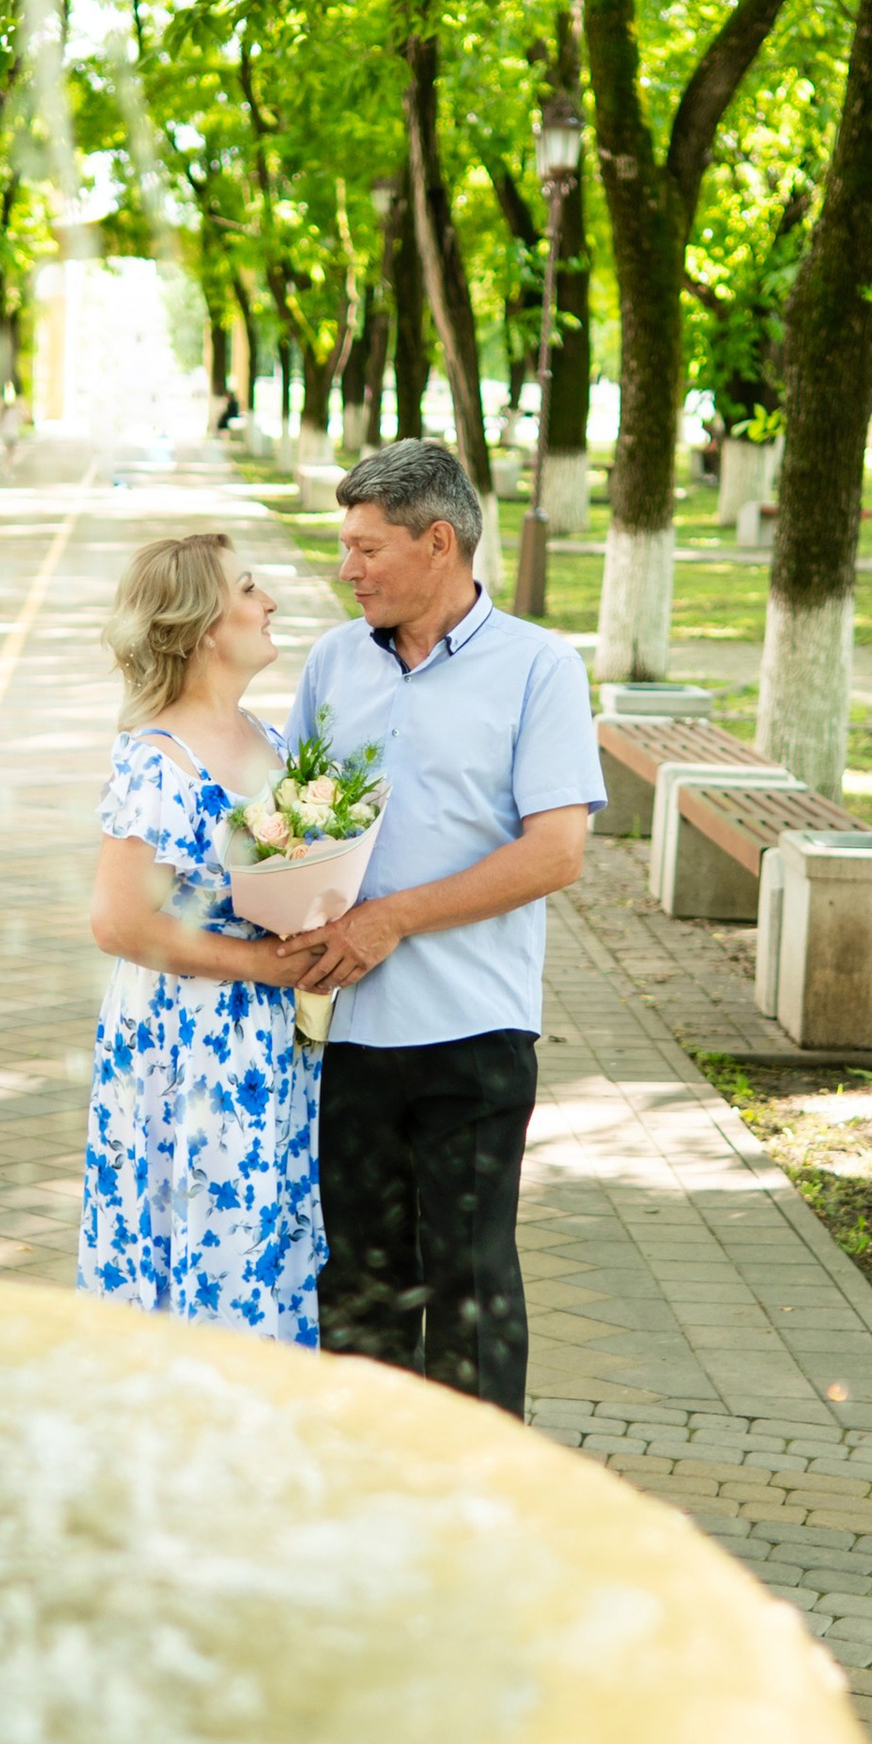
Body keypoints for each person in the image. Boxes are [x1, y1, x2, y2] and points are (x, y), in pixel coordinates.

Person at [291, 439, 606, 1415]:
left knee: (468, 1284)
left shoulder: (538, 667)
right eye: (345, 547)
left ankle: (479, 1505)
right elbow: (300, 823)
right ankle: (366, 1498)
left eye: (366, 548)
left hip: (472, 1033)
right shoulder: (334, 662)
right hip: (344, 1037)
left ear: (439, 541)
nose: (348, 568)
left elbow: (555, 852)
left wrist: (396, 917)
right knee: (356, 1286)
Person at [78, 529, 324, 1344]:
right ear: (205, 626)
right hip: (181, 1046)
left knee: (253, 1248)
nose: (270, 602)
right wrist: (259, 961)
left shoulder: (272, 742)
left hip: (261, 1044)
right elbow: (117, 920)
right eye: (249, 588)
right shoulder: (159, 760)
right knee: (192, 1250)